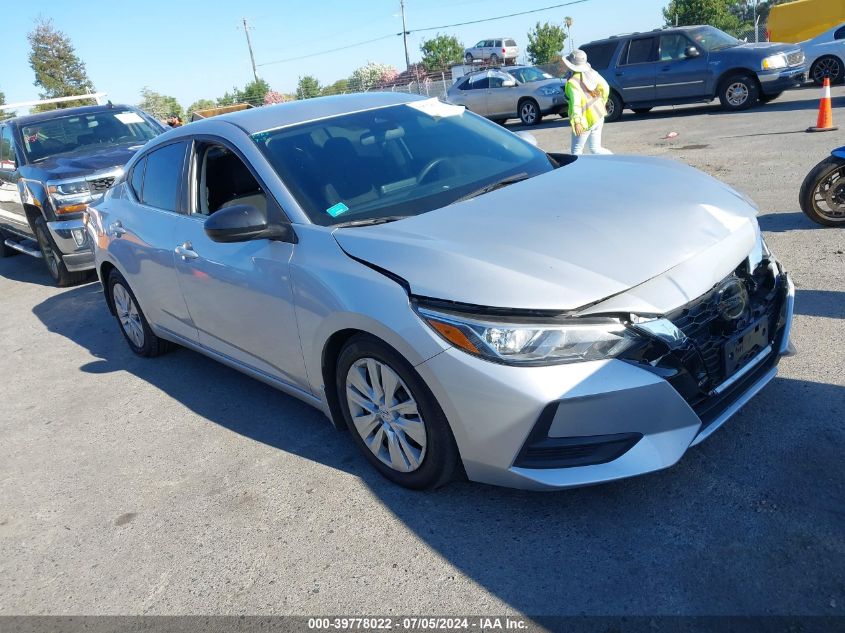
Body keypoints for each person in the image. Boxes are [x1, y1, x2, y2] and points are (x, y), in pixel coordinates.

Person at [563, 49, 612, 155]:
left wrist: (577, 122)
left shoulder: (572, 82)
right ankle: (613, 160)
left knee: (576, 151)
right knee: (595, 148)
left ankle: (579, 171)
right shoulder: (592, 73)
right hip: (598, 115)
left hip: (584, 120)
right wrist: (602, 102)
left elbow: (576, 103)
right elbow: (606, 87)